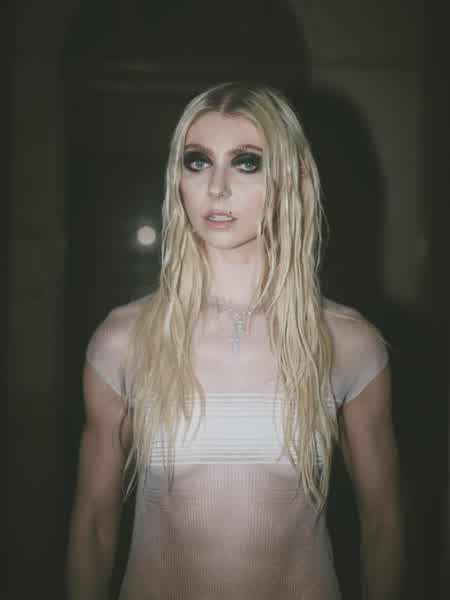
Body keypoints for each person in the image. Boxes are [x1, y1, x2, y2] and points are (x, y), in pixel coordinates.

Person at [65, 82, 404, 600]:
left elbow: (382, 520)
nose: (216, 188)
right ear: (178, 179)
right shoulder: (122, 342)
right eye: (198, 161)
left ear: (288, 178)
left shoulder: (349, 344)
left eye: (246, 162)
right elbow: (93, 521)